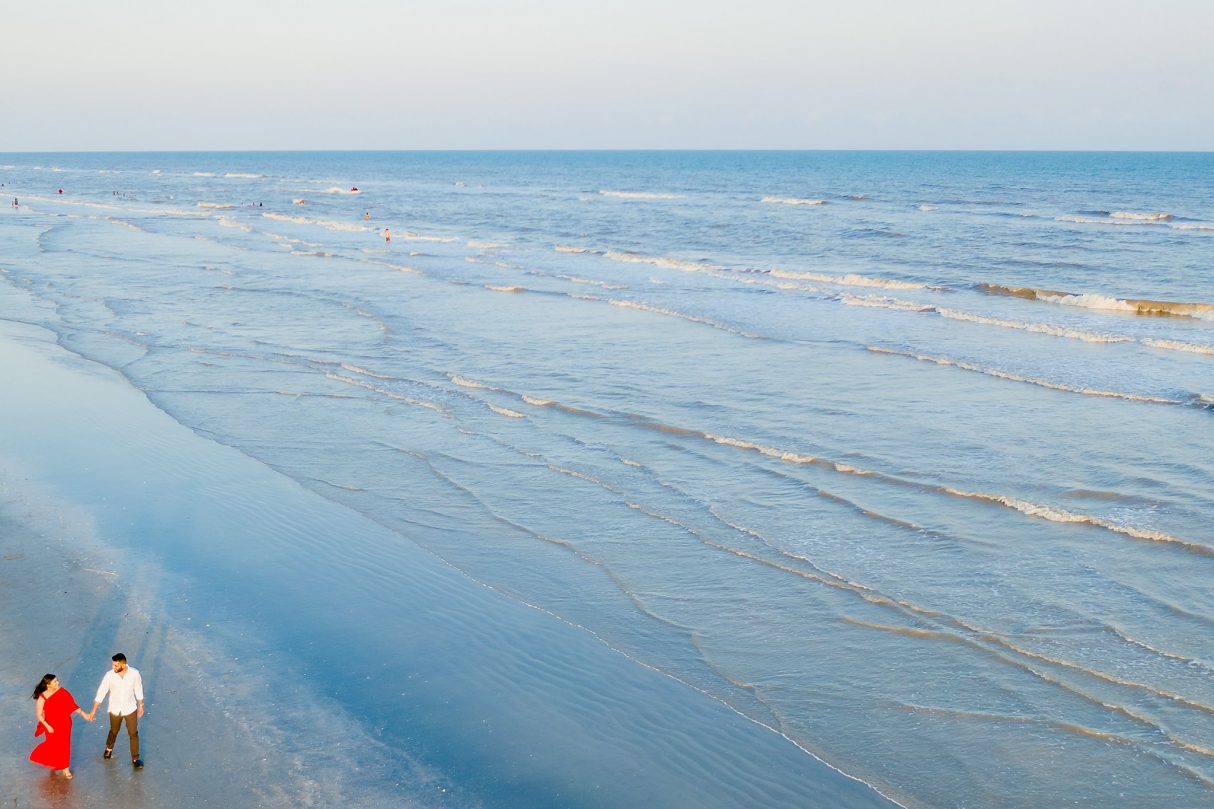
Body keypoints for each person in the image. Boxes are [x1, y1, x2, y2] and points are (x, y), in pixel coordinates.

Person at [86, 653, 145, 768]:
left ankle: (135, 759)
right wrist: (93, 711)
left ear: (123, 664)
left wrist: (141, 706)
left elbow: (138, 689)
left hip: (130, 709)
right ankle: (109, 748)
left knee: (133, 733)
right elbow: (101, 693)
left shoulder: (134, 673)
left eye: (116, 666)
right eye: (113, 665)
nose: (113, 667)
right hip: (115, 709)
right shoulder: (109, 675)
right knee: (114, 730)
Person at [30, 674, 92, 779]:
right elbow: (39, 715)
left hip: (65, 723)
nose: (58, 683)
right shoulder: (43, 697)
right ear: (48, 684)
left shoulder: (62, 692)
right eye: (55, 682)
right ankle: (54, 761)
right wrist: (47, 726)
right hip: (51, 725)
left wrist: (84, 714)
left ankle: (65, 769)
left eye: (57, 680)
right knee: (53, 745)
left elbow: (72, 705)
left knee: (64, 746)